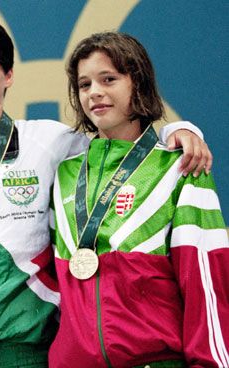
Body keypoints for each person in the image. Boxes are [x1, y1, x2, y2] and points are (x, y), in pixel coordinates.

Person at [0, 16, 212, 367]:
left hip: (25, 354)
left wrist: (178, 133)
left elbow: (122, 146)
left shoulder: (51, 144)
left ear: (9, 75)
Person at [49, 31, 228, 367]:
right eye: (84, 85)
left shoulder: (181, 167)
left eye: (109, 79)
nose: (95, 93)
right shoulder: (65, 174)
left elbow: (206, 285)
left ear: (139, 83)